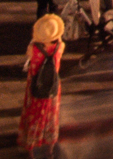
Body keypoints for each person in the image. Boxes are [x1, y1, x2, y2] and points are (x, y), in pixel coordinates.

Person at [22, 14, 67, 155]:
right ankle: (50, 149)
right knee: (51, 117)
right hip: (52, 87)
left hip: (36, 87)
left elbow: (29, 57)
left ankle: (31, 149)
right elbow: (60, 41)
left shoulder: (33, 49)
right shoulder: (59, 47)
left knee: (34, 117)